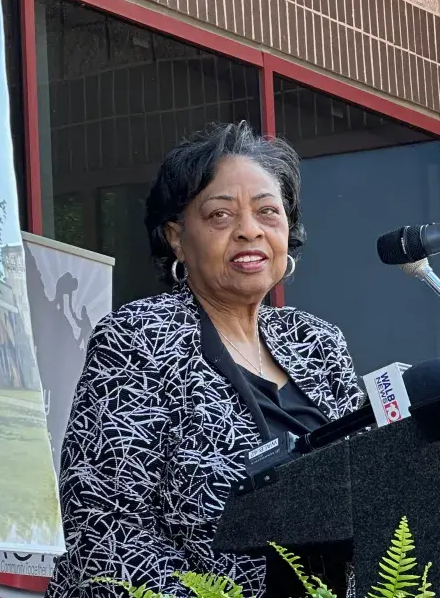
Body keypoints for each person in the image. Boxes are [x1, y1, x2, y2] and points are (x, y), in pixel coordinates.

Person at [45, 121, 364, 598]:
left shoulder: (319, 344)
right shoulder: (138, 338)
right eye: (220, 215)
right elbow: (104, 529)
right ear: (177, 237)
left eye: (268, 212)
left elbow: (374, 494)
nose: (249, 231)